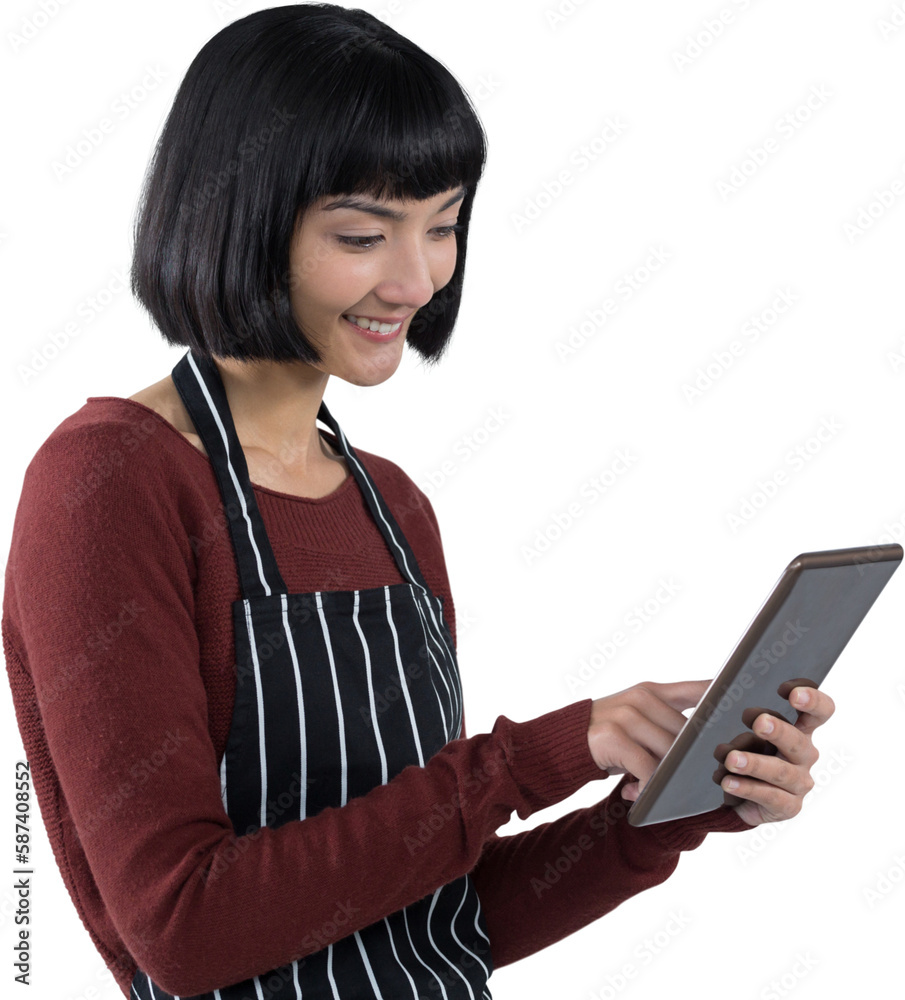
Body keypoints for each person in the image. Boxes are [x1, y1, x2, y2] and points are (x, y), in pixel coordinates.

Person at [1, 5, 833, 999]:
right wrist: (532, 760)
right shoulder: (109, 485)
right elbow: (183, 928)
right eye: (362, 233)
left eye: (442, 225)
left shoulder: (393, 506)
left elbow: (438, 920)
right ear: (238, 217)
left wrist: (668, 805)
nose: (414, 278)